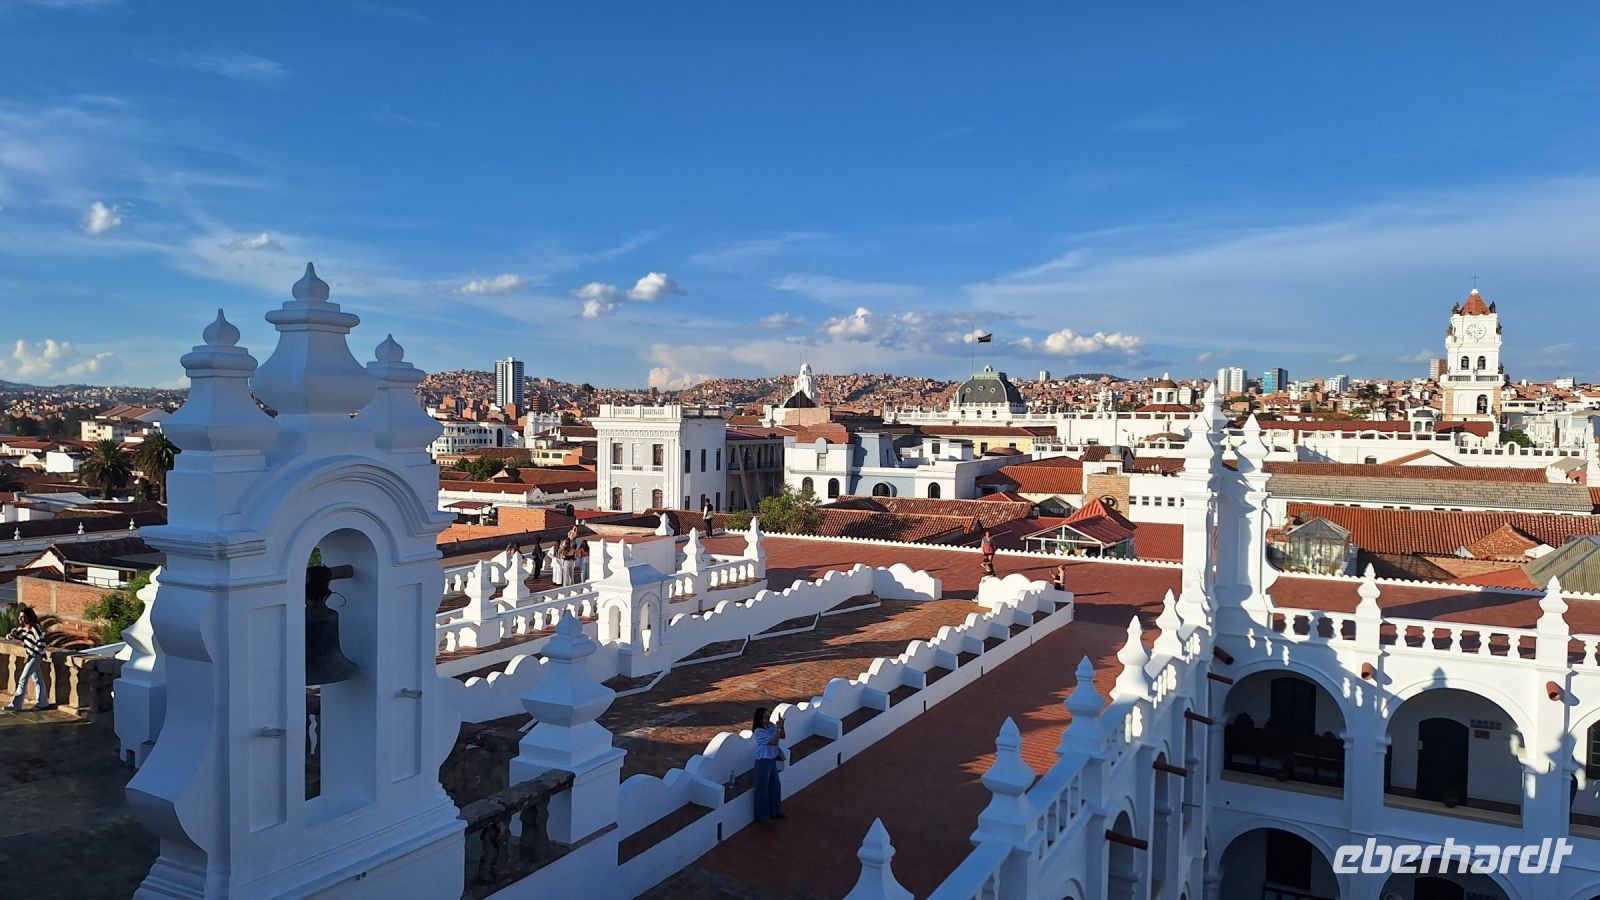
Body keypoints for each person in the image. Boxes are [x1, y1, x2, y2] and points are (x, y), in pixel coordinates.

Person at [6, 605, 49, 711]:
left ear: (28, 617)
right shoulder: (21, 629)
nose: (21, 619)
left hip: (35, 656)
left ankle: (16, 705)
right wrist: (12, 634)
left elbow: (41, 642)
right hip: (31, 656)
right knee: (38, 679)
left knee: (23, 679)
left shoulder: (35, 627)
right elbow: (9, 638)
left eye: (23, 617)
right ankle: (42, 702)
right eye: (20, 617)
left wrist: (33, 655)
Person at [751, 707, 786, 822]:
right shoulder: (759, 731)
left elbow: (782, 736)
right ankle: (762, 816)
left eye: (769, 715)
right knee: (762, 789)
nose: (768, 718)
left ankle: (775, 811)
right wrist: (778, 728)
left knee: (775, 786)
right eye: (766, 716)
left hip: (771, 760)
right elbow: (773, 742)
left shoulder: (771, 726)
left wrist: (781, 726)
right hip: (763, 761)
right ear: (760, 718)